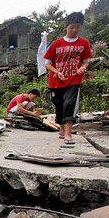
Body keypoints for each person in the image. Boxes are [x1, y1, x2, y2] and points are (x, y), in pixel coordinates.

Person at [43, 12, 92, 145]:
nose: (74, 30)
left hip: (74, 79)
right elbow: (47, 63)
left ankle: (68, 134)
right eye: (72, 27)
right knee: (58, 105)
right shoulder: (56, 43)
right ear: (66, 27)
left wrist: (83, 67)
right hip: (56, 80)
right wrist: (57, 72)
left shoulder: (84, 43)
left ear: (80, 26)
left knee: (69, 104)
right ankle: (62, 128)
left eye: (77, 27)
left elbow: (86, 60)